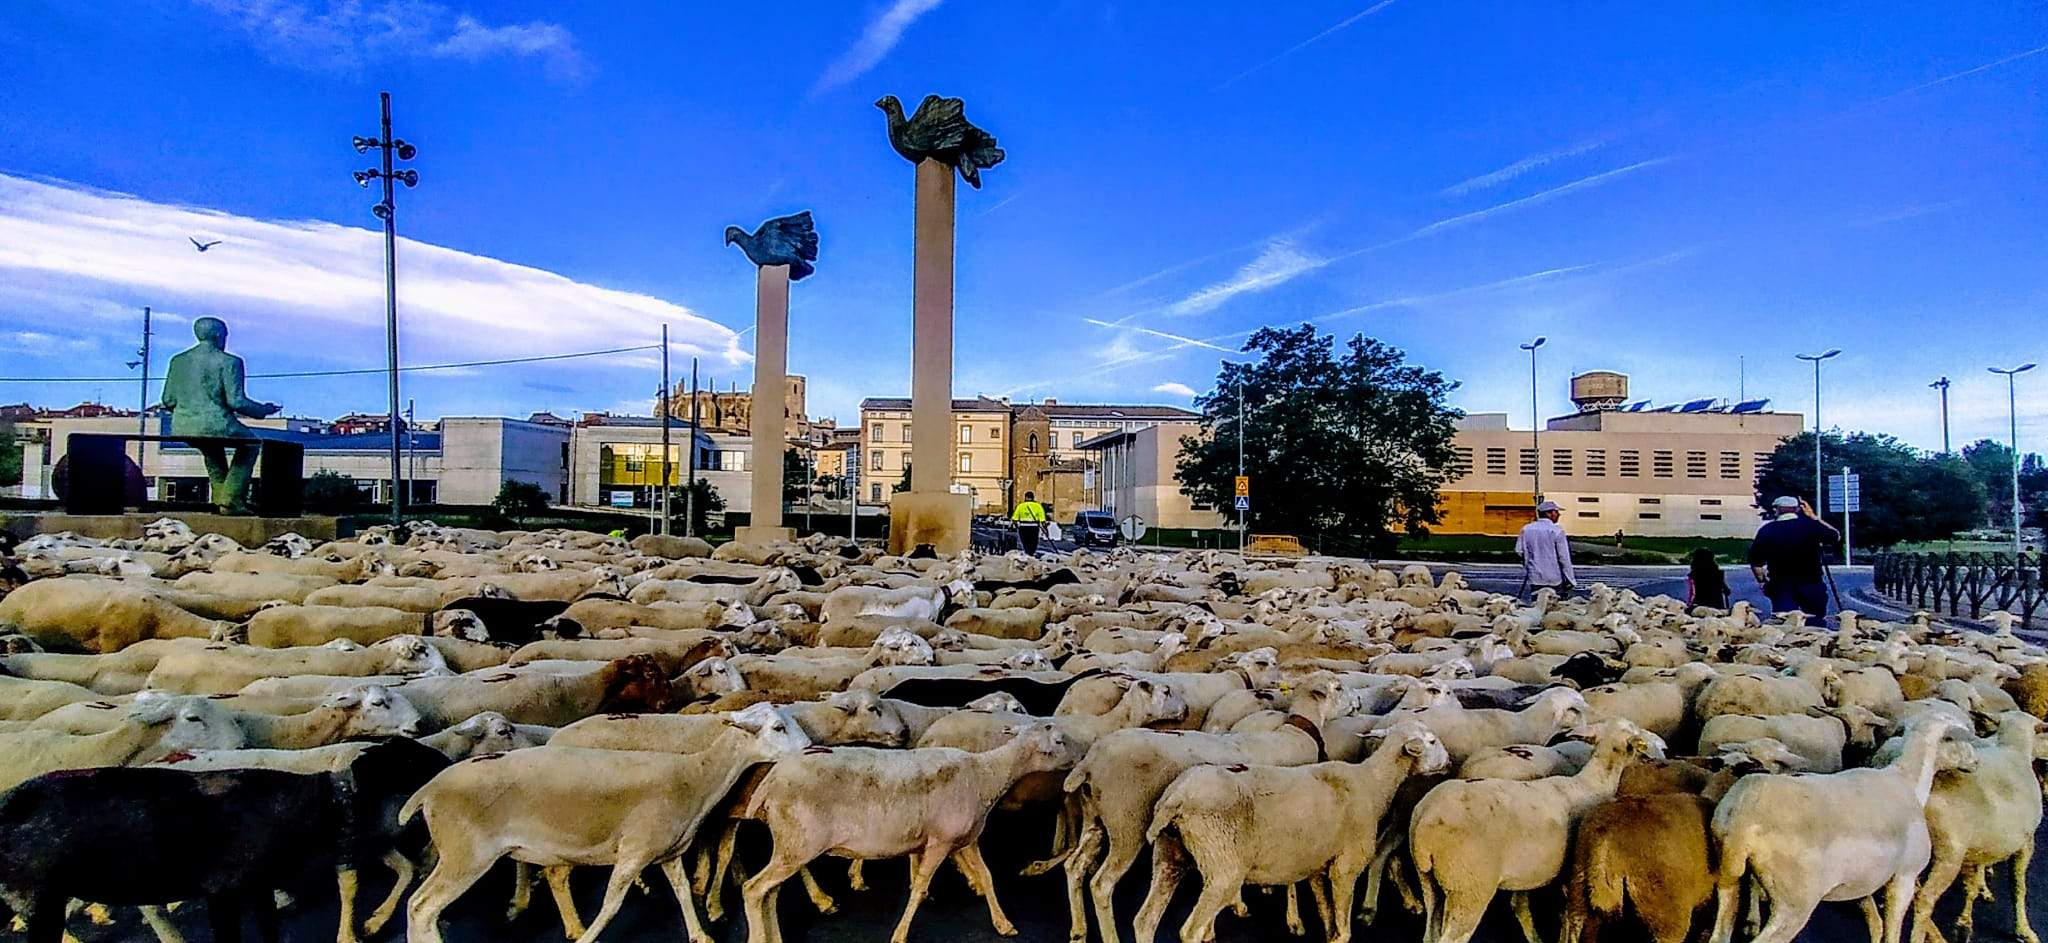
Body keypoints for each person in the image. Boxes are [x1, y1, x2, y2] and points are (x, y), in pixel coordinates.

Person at [159, 317, 279, 514]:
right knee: (250, 445)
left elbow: (168, 400)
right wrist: (262, 411)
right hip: (216, 423)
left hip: (182, 425)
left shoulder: (178, 361)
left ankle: (220, 499)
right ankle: (231, 498)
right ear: (218, 336)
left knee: (212, 450)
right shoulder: (230, 362)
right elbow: (236, 401)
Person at [1747, 495, 1839, 625]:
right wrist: (1813, 516)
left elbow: (1756, 562)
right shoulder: (1811, 526)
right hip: (1811, 583)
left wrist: (1762, 581)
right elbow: (1835, 535)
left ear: (1776, 510)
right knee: (1815, 622)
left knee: (1785, 624)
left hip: (1781, 584)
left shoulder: (1767, 530)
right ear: (1797, 509)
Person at [1515, 500, 1576, 596]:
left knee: (1538, 605)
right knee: (1555, 607)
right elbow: (1563, 557)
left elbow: (1519, 551)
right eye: (1556, 512)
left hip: (1535, 577)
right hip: (1555, 578)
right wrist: (1570, 579)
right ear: (1549, 513)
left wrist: (1528, 563)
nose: (1558, 515)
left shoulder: (1526, 529)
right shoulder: (1556, 530)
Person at [1011, 491, 1048, 555]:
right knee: (1033, 542)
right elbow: (1042, 520)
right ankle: (1031, 553)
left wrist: (1017, 526)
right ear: (1033, 497)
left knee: (1025, 542)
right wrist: (1045, 528)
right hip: (1034, 527)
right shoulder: (1038, 506)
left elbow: (1014, 519)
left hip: (1023, 527)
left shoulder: (1020, 506)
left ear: (1025, 497)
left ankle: (1027, 553)